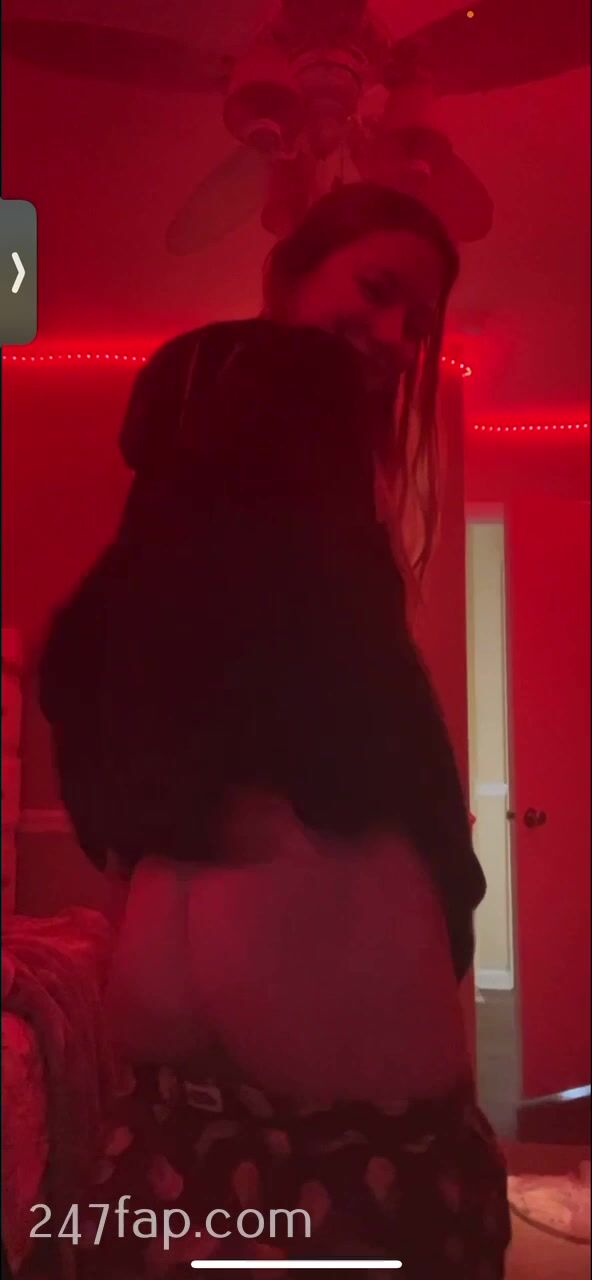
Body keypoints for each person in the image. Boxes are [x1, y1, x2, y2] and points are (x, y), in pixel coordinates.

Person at [39, 182, 510, 1278]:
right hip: (319, 964)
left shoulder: (191, 430)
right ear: (292, 274)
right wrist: (453, 878)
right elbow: (364, 683)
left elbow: (78, 652)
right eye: (375, 290)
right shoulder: (302, 397)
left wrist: (139, 824)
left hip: (172, 1013)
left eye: (416, 321)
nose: (392, 335)